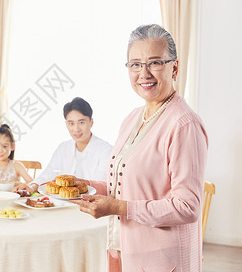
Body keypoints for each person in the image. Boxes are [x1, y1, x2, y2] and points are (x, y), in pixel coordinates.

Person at [71, 24, 208, 271]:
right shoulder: (133, 117)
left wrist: (119, 208)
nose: (144, 73)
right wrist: (82, 186)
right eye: (135, 64)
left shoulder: (184, 124)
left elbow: (187, 207)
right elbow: (127, 185)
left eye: (154, 63)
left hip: (162, 258)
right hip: (125, 246)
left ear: (174, 67)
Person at [15, 97, 112, 194]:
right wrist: (32, 186)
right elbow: (49, 173)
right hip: (61, 204)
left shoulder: (105, 150)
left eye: (81, 122)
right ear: (66, 124)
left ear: (91, 122)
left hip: (91, 204)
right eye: (71, 123)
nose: (76, 129)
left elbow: (105, 185)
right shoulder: (63, 148)